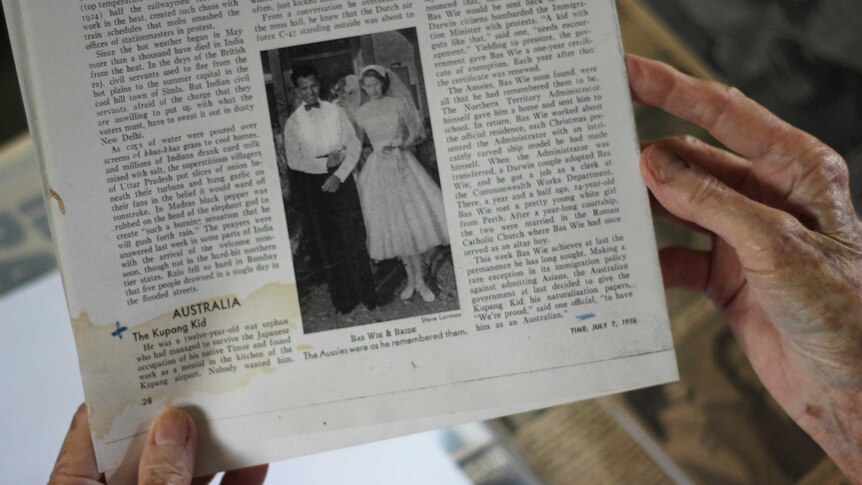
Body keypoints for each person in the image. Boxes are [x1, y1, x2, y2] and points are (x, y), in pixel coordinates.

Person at [51, 55, 862, 482]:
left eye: (359, 79)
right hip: (345, 180)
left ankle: (416, 283)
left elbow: (383, 133)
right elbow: (302, 154)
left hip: (384, 165)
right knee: (369, 246)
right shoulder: (309, 118)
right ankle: (399, 287)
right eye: (331, 81)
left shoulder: (370, 104)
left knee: (422, 233)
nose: (345, 84)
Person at [283, 65, 377, 314]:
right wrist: (323, 164)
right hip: (314, 183)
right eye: (304, 88)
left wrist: (339, 175)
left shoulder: (335, 111)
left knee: (354, 235)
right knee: (329, 242)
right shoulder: (294, 122)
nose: (310, 92)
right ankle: (344, 299)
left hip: (342, 177)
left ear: (319, 84)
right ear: (298, 90)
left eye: (313, 85)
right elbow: (294, 159)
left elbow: (354, 145)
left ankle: (368, 294)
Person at [353, 65, 449, 302]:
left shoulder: (397, 104)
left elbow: (416, 132)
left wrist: (401, 145)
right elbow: (357, 144)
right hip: (378, 169)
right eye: (368, 85)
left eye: (376, 84)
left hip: (403, 164)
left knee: (411, 221)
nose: (373, 89)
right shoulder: (361, 113)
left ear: (383, 84)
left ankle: (421, 282)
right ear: (363, 88)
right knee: (394, 225)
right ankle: (410, 279)